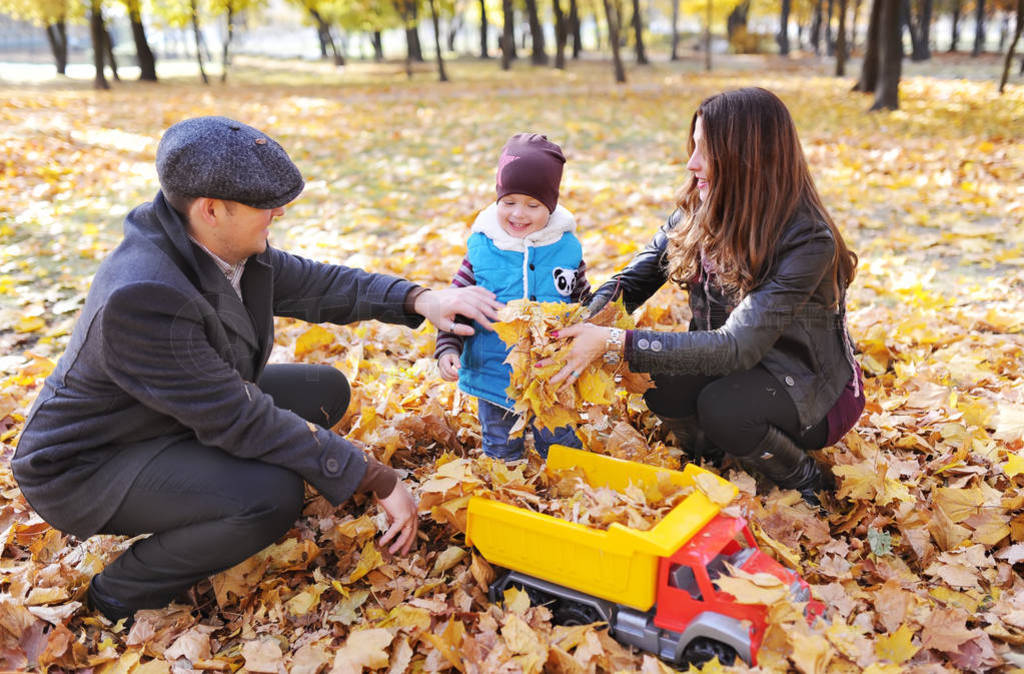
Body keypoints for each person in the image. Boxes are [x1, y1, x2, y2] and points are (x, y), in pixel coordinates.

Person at [11, 116, 503, 624]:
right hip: (91, 462)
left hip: (165, 415)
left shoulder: (215, 243)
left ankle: (216, 488)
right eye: (265, 203)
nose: (280, 211)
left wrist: (422, 299)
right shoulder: (144, 296)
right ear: (211, 209)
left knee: (323, 389)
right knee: (269, 498)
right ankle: (118, 592)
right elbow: (239, 419)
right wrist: (374, 478)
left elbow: (318, 285)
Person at [548, 88, 864, 506]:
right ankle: (711, 459)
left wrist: (611, 342)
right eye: (693, 145)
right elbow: (634, 280)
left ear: (749, 157)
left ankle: (807, 481)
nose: (692, 162)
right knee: (657, 376)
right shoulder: (699, 208)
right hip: (737, 368)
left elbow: (736, 348)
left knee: (724, 406)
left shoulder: (806, 239)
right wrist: (583, 323)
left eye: (706, 149)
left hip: (809, 389)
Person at [435, 133, 590, 460]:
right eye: (509, 202)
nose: (519, 214)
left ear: (551, 205)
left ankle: (567, 489)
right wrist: (447, 347)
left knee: (562, 445)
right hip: (496, 376)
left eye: (533, 205)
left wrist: (591, 336)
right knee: (502, 448)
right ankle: (509, 485)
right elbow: (455, 305)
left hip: (553, 373)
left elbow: (583, 304)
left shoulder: (567, 249)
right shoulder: (482, 249)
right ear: (497, 201)